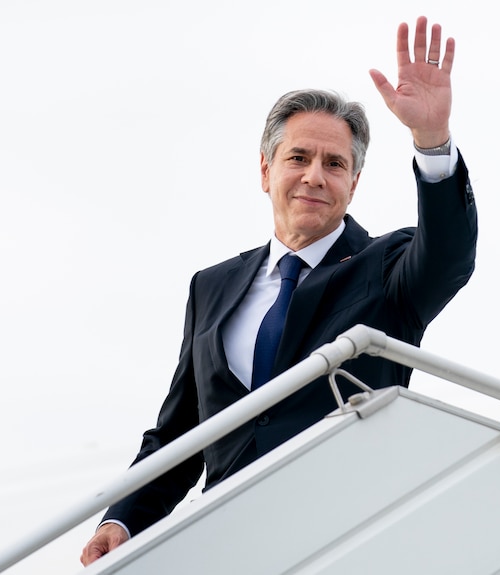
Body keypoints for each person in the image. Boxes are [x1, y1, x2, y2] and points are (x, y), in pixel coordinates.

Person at [80, 15, 477, 566]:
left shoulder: (387, 268)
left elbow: (450, 255)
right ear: (266, 171)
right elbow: (182, 435)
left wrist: (432, 142)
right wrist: (122, 518)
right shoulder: (212, 287)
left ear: (353, 184)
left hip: (348, 549)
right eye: (299, 158)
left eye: (334, 164)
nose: (315, 175)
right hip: (228, 550)